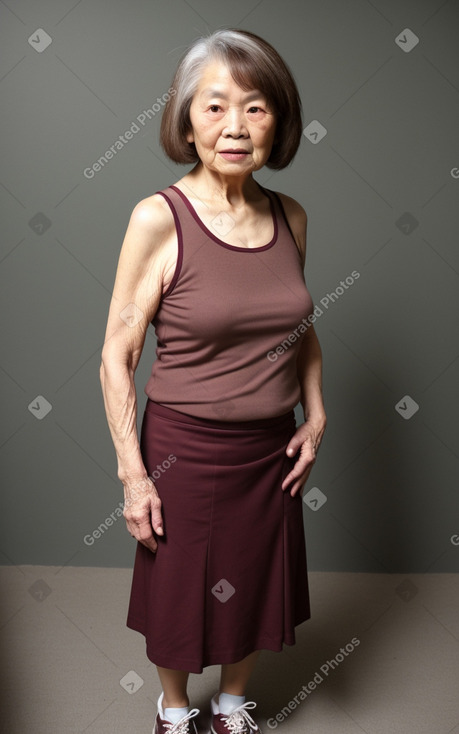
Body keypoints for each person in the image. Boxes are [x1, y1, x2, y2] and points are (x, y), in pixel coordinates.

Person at [100, 28, 326, 734]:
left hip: (271, 448)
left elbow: (295, 324)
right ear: (186, 120)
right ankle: (173, 709)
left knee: (256, 580)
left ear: (278, 123)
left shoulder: (290, 217)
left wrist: (315, 416)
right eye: (216, 106)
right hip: (184, 448)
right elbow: (116, 354)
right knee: (179, 588)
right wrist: (134, 476)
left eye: (256, 109)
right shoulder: (157, 218)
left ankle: (231, 706)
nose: (235, 126)